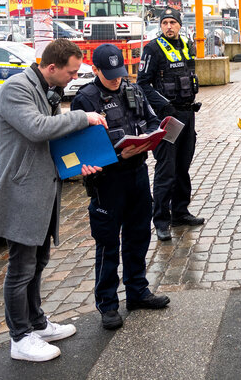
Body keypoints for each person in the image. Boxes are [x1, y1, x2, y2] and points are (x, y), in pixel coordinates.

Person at [0, 39, 108, 362]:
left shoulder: (48, 90)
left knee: (38, 263)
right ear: (52, 68)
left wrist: (82, 163)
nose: (73, 78)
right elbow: (38, 129)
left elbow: (55, 140)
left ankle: (36, 323)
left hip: (44, 190)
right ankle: (19, 337)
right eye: (71, 72)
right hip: (21, 192)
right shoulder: (15, 89)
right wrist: (84, 118)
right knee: (20, 268)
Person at [71, 44, 171, 330]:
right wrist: (117, 155)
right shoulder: (85, 100)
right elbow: (83, 146)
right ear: (95, 70)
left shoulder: (134, 90)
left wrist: (152, 136)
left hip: (137, 173)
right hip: (107, 181)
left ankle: (137, 292)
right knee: (107, 243)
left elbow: (151, 119)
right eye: (110, 74)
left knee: (138, 235)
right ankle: (108, 304)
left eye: (120, 72)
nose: (116, 79)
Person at [137, 8, 205, 242]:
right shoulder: (152, 49)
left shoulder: (186, 45)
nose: (168, 26)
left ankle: (180, 212)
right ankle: (161, 221)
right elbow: (142, 84)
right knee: (166, 170)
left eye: (172, 22)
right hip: (168, 119)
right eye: (165, 22)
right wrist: (165, 106)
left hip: (187, 115)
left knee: (183, 167)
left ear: (179, 25)